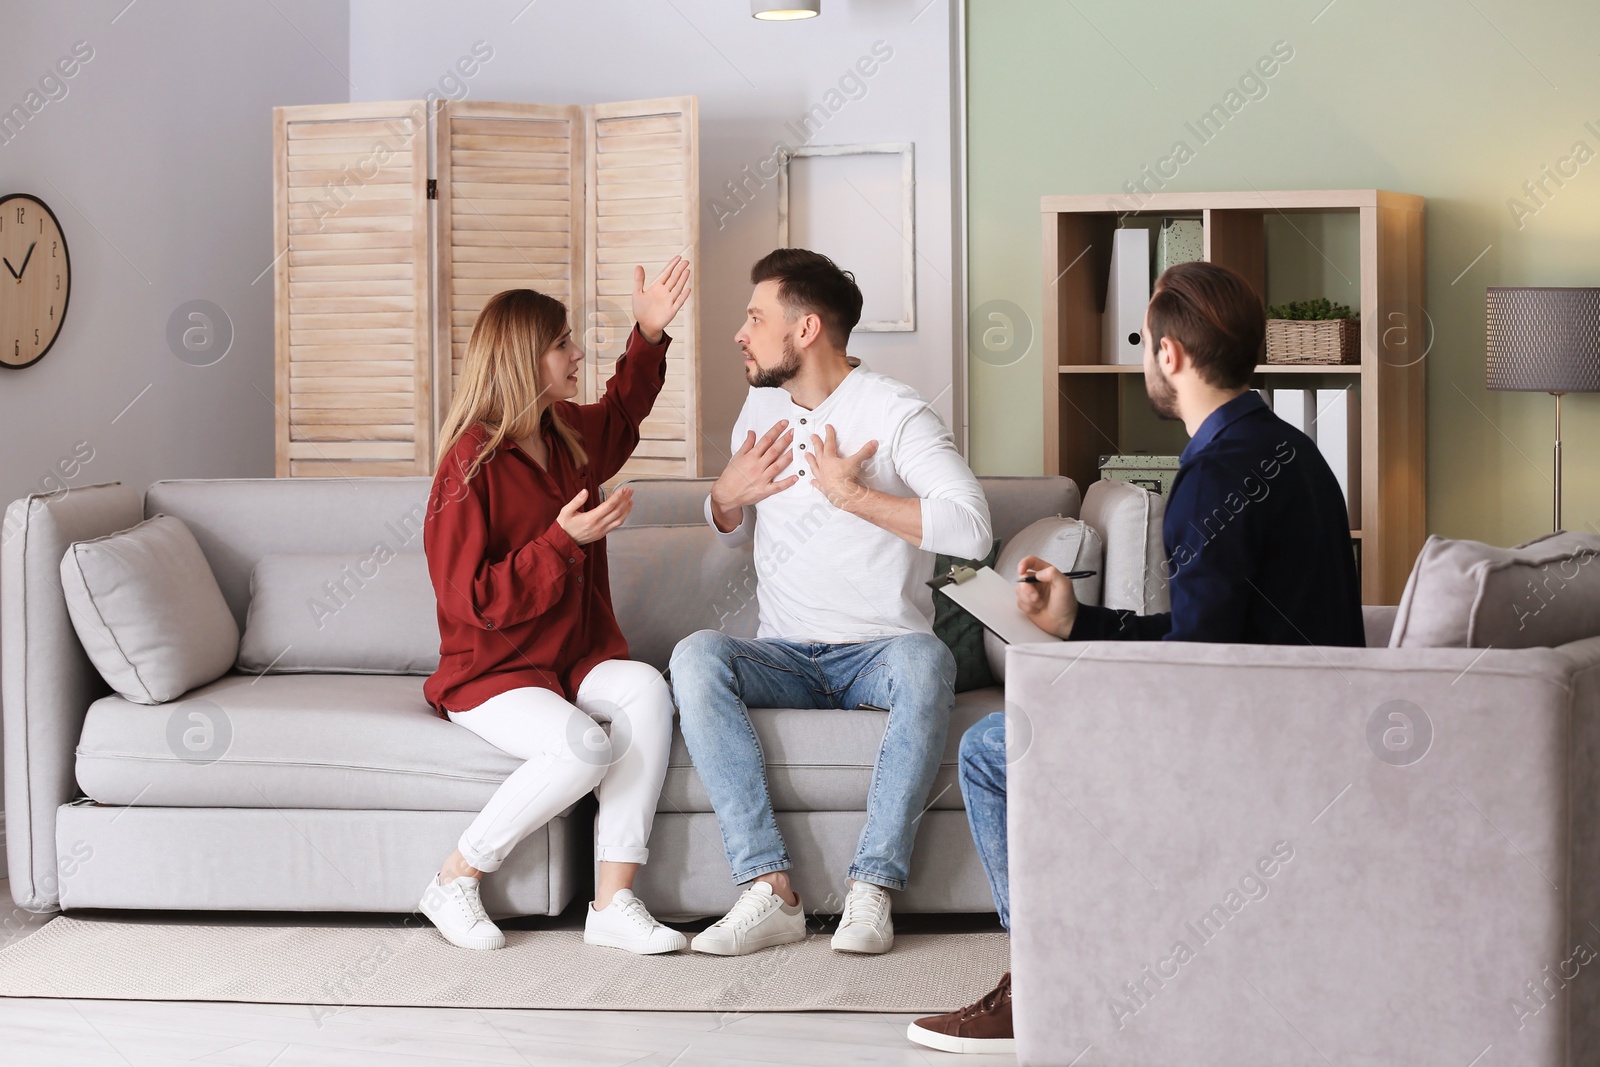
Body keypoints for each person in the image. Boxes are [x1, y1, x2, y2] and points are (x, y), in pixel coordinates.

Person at [907, 260, 1364, 1054]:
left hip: (1248, 748)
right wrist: (1079, 624)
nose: (1144, 356)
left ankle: (1045, 981)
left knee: (988, 747)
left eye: (1147, 342)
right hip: (1304, 726)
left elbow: (1194, 672)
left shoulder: (1213, 476)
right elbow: (1210, 633)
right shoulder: (1294, 451)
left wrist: (1080, 688)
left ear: (1172, 356)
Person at [668, 248, 993, 957]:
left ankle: (872, 889)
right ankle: (769, 889)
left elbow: (972, 527)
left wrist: (854, 497)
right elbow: (731, 537)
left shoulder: (895, 410)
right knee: (695, 655)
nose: (739, 332)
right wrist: (723, 499)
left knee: (925, 661)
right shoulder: (759, 408)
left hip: (879, 651)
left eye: (756, 317)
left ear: (806, 328)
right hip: (784, 651)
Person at [419, 260, 693, 955]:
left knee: (645, 691)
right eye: (563, 344)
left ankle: (612, 901)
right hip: (492, 673)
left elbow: (623, 412)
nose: (577, 355)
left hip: (570, 660)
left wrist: (650, 332)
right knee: (586, 747)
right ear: (522, 359)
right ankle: (455, 876)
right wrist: (559, 543)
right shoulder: (467, 465)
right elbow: (469, 600)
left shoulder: (566, 433)